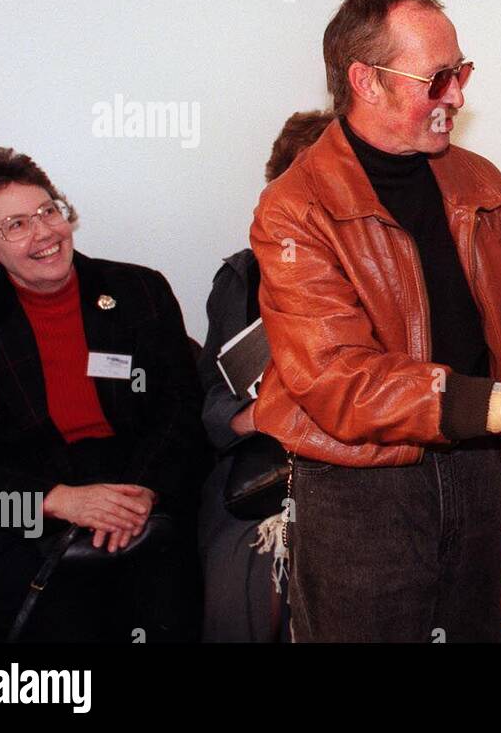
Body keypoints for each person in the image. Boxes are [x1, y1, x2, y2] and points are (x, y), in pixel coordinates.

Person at [248, 0, 501, 642]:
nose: (457, 95)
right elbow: (336, 378)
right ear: (366, 81)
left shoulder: (484, 186)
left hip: (484, 472)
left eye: (461, 72)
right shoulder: (294, 209)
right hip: (357, 495)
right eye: (437, 79)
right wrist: (498, 407)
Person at [0, 147, 205, 641]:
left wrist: (141, 492)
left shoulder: (140, 291)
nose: (43, 232)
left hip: (139, 483)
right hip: (30, 499)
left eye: (47, 210)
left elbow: (181, 410)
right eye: (15, 225)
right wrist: (57, 501)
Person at [197, 109, 331, 643]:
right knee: (243, 578)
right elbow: (208, 402)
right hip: (267, 470)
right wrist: (253, 414)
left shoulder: (395, 270)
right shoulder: (242, 275)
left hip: (367, 469)